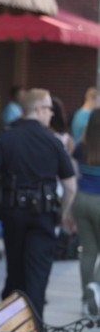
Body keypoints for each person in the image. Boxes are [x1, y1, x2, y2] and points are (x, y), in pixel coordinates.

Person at [0, 88, 76, 318]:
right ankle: (33, 328)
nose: (51, 114)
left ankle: (10, 324)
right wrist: (64, 213)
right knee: (38, 274)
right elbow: (70, 186)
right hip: (44, 214)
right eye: (49, 109)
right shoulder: (53, 141)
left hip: (13, 213)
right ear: (39, 109)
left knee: (15, 271)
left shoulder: (6, 137)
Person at [70, 108, 100, 315]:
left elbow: (73, 173)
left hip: (81, 199)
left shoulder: (82, 146)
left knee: (88, 252)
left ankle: (86, 301)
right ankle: (97, 288)